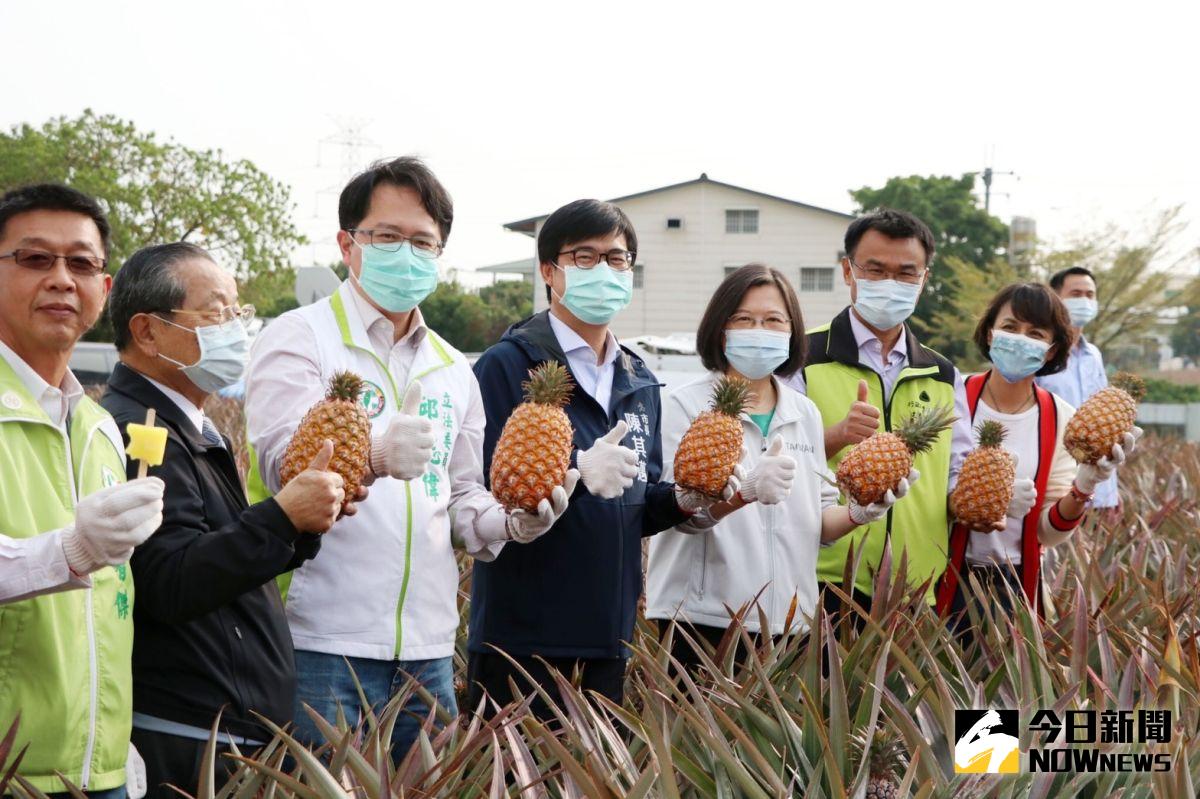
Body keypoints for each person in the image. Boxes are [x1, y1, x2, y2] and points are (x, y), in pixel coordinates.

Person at [244, 157, 576, 759]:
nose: (407, 253)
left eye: (423, 242)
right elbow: (281, 466)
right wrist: (371, 454)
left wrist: (513, 521)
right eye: (387, 237)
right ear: (349, 245)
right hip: (319, 635)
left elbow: (461, 496)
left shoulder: (453, 367)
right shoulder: (299, 337)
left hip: (426, 645)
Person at [467, 199, 741, 716]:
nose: (604, 270)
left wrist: (689, 498)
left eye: (617, 259)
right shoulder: (509, 365)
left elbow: (638, 506)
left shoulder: (638, 379)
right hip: (520, 635)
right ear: (550, 271)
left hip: (607, 635)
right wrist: (577, 473)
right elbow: (482, 490)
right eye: (584, 257)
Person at [100, 242, 352, 795]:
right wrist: (283, 518)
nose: (236, 328)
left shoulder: (184, 423)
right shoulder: (142, 431)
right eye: (216, 313)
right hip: (191, 734)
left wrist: (301, 526)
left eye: (238, 312)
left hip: (223, 727)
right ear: (146, 331)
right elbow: (169, 579)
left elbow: (220, 552)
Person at [646, 265, 911, 670]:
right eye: (744, 319)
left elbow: (820, 524)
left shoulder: (803, 411)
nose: (760, 330)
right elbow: (676, 516)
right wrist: (744, 494)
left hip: (791, 623)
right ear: (721, 328)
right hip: (700, 622)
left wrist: (861, 512)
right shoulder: (685, 407)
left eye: (773, 320)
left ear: (791, 331)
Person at [0, 184, 165, 797]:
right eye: (35, 259)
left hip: (102, 770)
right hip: (13, 772)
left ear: (106, 287)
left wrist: (116, 743)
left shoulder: (98, 425)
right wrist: (69, 552)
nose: (62, 280)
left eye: (82, 263)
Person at [781, 209, 973, 617]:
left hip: (916, 585)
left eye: (906, 273)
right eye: (875, 269)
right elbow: (774, 459)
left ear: (924, 280)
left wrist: (985, 498)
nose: (891, 283)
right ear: (848, 272)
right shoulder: (802, 357)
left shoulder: (943, 374)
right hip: (821, 578)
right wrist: (835, 435)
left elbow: (958, 471)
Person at [935, 283, 1140, 620]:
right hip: (940, 575)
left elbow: (1047, 532)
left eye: (1035, 333)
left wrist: (1085, 486)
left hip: (1013, 581)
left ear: (1050, 349)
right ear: (989, 333)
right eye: (1010, 327)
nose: (1020, 339)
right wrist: (984, 498)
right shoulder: (950, 397)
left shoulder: (1061, 418)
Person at [1036, 267, 1120, 522]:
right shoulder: (1040, 353)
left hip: (1102, 491)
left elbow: (1108, 419)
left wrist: (1112, 492)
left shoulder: (1093, 354)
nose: (1084, 300)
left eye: (1090, 294)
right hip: (1058, 489)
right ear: (1056, 298)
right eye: (1075, 293)